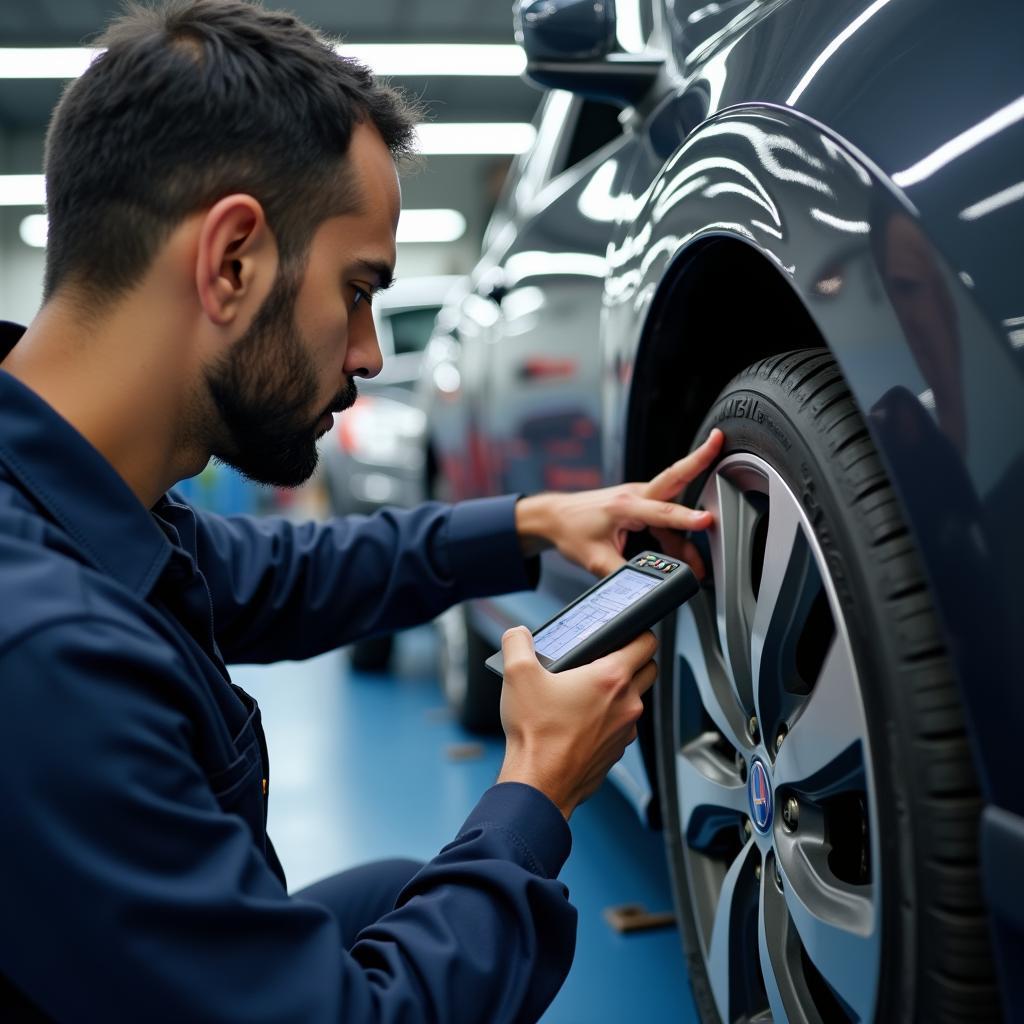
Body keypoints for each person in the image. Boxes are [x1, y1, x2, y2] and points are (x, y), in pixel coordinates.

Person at [0, 2, 724, 1021]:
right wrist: (534, 786)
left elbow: (281, 575)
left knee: (398, 892)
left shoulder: (67, 500)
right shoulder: (39, 654)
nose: (370, 356)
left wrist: (531, 523)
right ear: (232, 261)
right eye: (357, 291)